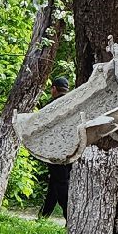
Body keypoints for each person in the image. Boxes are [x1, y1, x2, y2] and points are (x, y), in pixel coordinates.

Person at [38, 76, 73, 220]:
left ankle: (69, 217)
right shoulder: (73, 103)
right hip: (72, 149)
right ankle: (43, 216)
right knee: (55, 182)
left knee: (61, 184)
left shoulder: (51, 105)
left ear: (54, 89)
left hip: (54, 151)